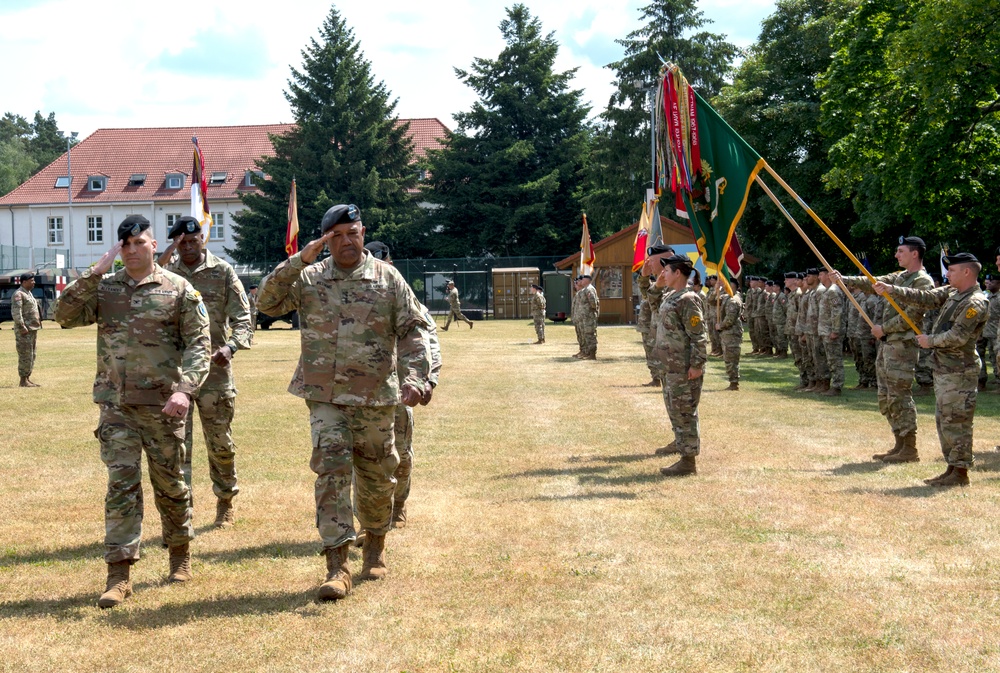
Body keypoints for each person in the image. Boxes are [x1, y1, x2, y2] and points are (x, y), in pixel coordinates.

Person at [256, 204, 431, 602]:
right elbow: (267, 303)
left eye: (353, 233)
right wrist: (299, 259)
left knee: (376, 477)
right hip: (325, 397)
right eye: (337, 236)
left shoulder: (388, 278)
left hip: (375, 397)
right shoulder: (310, 278)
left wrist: (417, 379)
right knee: (330, 469)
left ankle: (375, 545)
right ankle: (337, 565)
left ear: (363, 232)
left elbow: (412, 331)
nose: (347, 241)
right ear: (325, 240)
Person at [54, 215, 211, 608]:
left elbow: (199, 343)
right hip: (117, 407)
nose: (132, 250)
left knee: (171, 485)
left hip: (164, 406)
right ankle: (119, 574)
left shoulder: (178, 290)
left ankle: (179, 555)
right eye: (125, 244)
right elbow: (64, 315)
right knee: (121, 487)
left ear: (154, 245)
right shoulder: (105, 290)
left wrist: (185, 390)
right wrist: (95, 272)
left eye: (139, 242)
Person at [158, 216, 253, 527]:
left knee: (220, 443)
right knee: (175, 447)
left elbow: (243, 319)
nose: (187, 245)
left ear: (203, 238)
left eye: (192, 239)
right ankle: (182, 510)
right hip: (176, 374)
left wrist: (231, 347)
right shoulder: (166, 274)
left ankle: (225, 501)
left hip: (214, 372)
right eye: (180, 241)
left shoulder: (223, 272)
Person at [874, 252, 988, 486]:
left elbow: (958, 336)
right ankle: (952, 467)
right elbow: (925, 297)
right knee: (945, 420)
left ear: (967, 272)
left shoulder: (975, 302)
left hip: (960, 370)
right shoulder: (953, 292)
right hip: (946, 369)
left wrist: (930, 341)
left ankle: (960, 471)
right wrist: (892, 290)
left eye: (952, 270)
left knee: (957, 421)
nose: (947, 274)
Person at [831, 236, 933, 462]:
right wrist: (842, 278)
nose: (896, 255)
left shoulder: (922, 282)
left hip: (902, 345)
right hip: (888, 344)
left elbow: (911, 317)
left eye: (901, 251)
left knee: (899, 395)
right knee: (886, 396)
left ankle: (910, 448)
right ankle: (898, 443)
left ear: (914, 253)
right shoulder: (898, 277)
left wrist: (883, 329)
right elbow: (871, 281)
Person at [362, 240, 441, 530]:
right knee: (366, 458)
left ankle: (399, 505)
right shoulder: (358, 295)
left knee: (402, 456)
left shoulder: (404, 295)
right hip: (364, 392)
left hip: (399, 391)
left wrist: (428, 379)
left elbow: (428, 340)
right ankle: (369, 518)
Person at [652, 254, 707, 476]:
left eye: (666, 271)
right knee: (676, 410)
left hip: (684, 368)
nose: (662, 273)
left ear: (678, 273)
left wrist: (696, 364)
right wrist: (655, 286)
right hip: (670, 367)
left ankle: (688, 461)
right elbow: (652, 303)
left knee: (685, 412)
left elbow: (699, 336)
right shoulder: (671, 296)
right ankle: (681, 446)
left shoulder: (688, 299)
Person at [637, 244, 675, 384]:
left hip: (668, 330)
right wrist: (644, 276)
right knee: (653, 353)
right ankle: (657, 377)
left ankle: (662, 378)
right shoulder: (660, 281)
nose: (649, 264)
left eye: (651, 261)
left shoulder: (673, 281)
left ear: (662, 261)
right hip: (655, 326)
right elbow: (647, 295)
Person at [817, 269, 846, 396]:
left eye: (821, 274)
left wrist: (835, 330)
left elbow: (837, 312)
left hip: (831, 332)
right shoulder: (827, 291)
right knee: (829, 359)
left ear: (829, 276)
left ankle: (837, 386)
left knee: (835, 360)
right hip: (825, 330)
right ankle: (831, 386)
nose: (819, 277)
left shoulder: (833, 291)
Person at [12, 271, 42, 387]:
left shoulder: (28, 293)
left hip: (32, 329)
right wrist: (21, 326)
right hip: (24, 330)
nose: (34, 282)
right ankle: (23, 380)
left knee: (32, 354)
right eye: (31, 280)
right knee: (25, 355)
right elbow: (16, 313)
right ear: (24, 282)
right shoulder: (19, 294)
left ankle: (27, 378)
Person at [717, 279, 744, 391]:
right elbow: (712, 301)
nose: (723, 287)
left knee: (731, 358)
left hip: (731, 333)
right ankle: (732, 381)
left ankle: (734, 382)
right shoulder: (728, 297)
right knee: (728, 357)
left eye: (725, 285)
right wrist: (716, 290)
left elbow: (730, 319)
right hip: (728, 333)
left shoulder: (733, 300)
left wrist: (720, 326)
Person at [574, 274, 600, 359]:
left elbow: (593, 303)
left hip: (589, 317)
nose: (581, 281)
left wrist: (591, 313)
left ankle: (592, 354)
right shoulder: (585, 290)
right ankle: (586, 352)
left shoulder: (589, 289)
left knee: (590, 335)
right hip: (584, 317)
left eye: (583, 280)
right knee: (584, 335)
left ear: (588, 280)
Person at [705, 276, 724, 357]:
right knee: (712, 334)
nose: (710, 281)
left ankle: (720, 349)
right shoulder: (711, 291)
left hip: (717, 314)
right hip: (711, 314)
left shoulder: (721, 291)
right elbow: (709, 301)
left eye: (712, 280)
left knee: (717, 334)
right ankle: (715, 349)